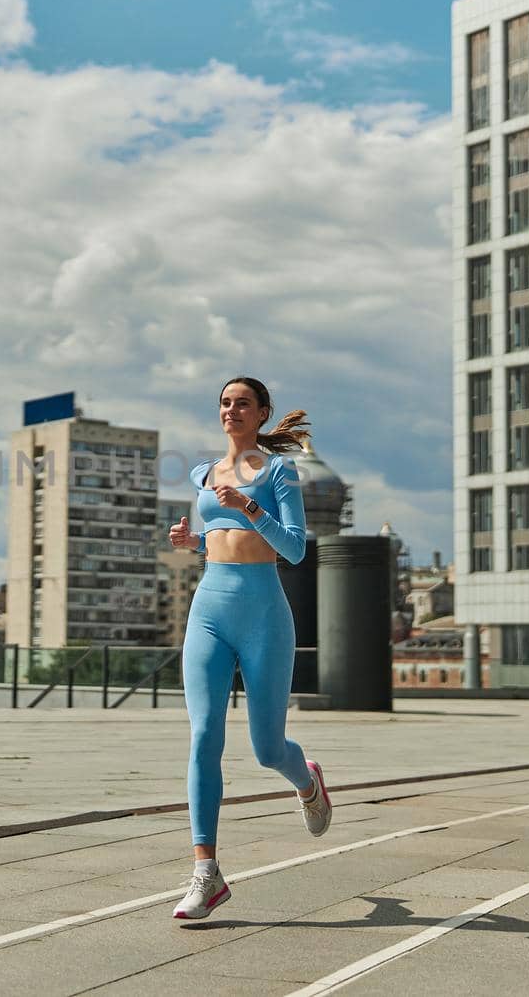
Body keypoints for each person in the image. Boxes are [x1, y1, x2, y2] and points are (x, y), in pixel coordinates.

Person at [167, 375, 332, 921]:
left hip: (264, 612)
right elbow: (215, 535)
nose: (231, 409)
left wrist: (250, 508)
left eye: (242, 403)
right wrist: (191, 542)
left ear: (262, 414)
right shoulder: (202, 474)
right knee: (204, 734)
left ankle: (306, 780)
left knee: (266, 749)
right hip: (209, 607)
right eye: (224, 402)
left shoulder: (279, 472)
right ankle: (206, 873)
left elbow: (295, 549)